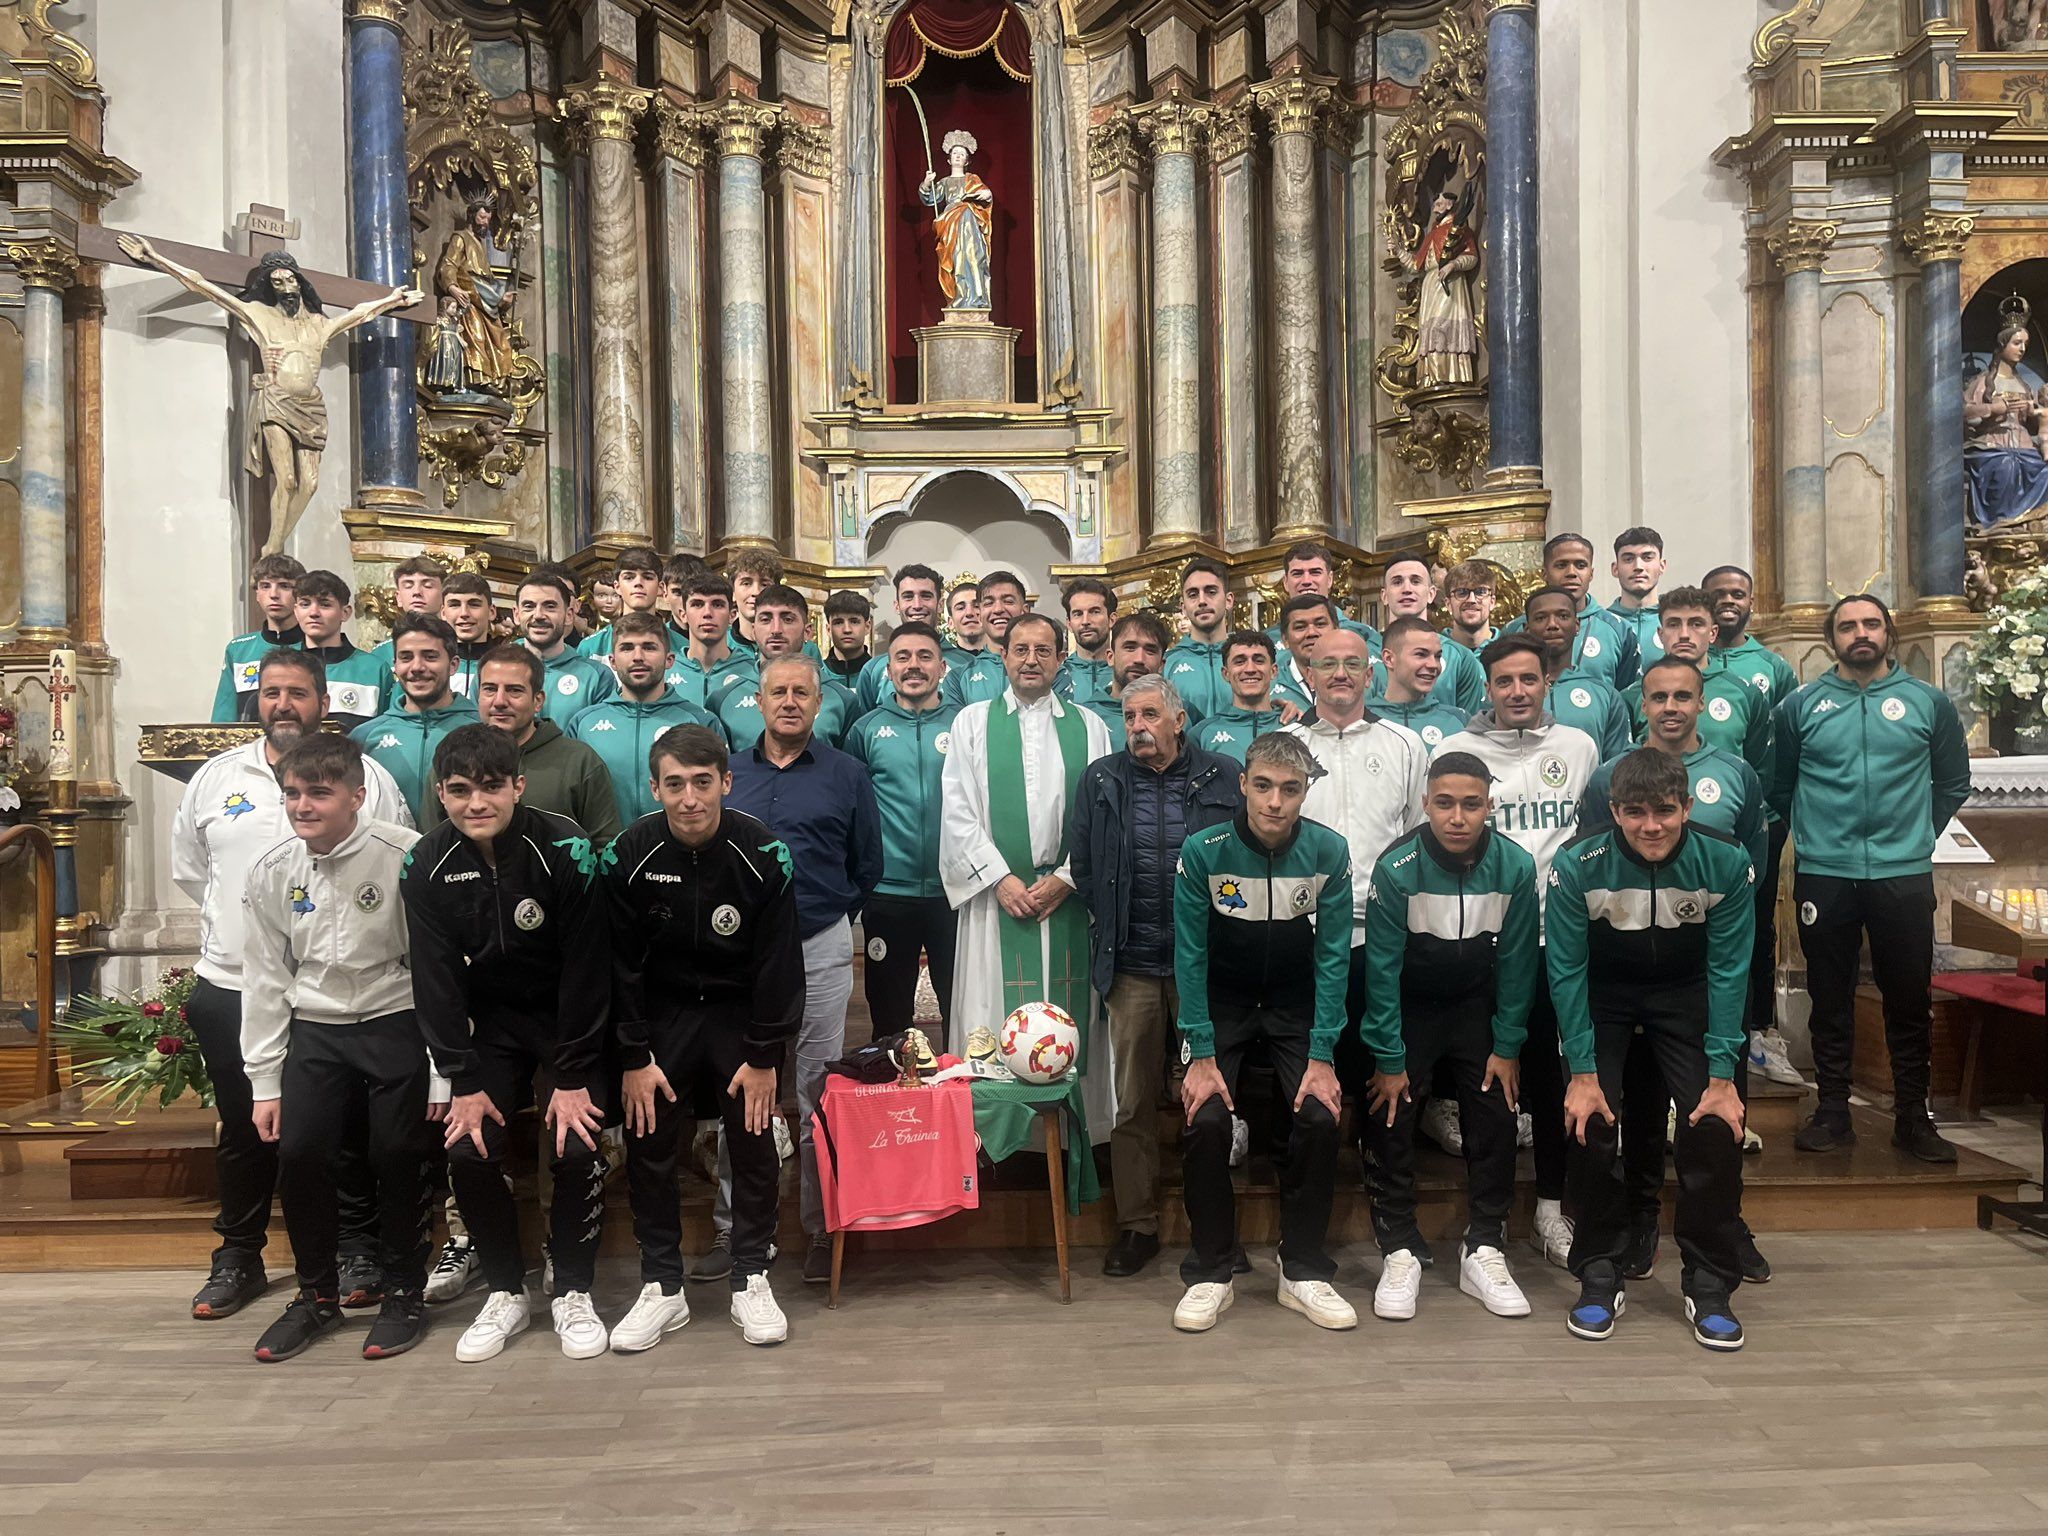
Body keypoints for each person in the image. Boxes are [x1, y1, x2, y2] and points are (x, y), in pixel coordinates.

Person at [174, 649, 413, 1322]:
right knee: (250, 1125)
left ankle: (360, 1252)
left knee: (348, 1131)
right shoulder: (218, 777)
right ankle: (240, 1255)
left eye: (298, 693)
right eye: (272, 692)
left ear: (322, 700)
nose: (283, 704)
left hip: (340, 994)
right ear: (257, 700)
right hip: (233, 978)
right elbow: (192, 869)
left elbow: (398, 863)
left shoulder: (370, 777)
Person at [400, 724, 613, 1362]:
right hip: (491, 1027)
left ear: (518, 786)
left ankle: (573, 1289)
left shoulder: (566, 848)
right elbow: (434, 981)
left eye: (492, 787)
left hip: (568, 1022)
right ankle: (505, 1291)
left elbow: (588, 965)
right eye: (460, 791)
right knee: (467, 1149)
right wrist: (461, 1081)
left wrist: (572, 1074)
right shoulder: (425, 862)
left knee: (577, 1143)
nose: (477, 804)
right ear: (440, 794)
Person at [239, 734, 439, 1362]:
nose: (302, 805)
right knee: (300, 1152)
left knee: (398, 1152)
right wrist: (264, 1081)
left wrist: (443, 1068)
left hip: (395, 1017)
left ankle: (405, 1290)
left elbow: (438, 968)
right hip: (317, 1028)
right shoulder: (273, 870)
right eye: (292, 793)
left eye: (319, 793)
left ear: (356, 796)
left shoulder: (406, 855)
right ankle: (316, 1295)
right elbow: (266, 977)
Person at [1550, 748, 1754, 1351]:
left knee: (1713, 1125)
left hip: (1687, 995)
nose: (1651, 826)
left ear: (1687, 807)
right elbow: (1565, 971)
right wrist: (1582, 1071)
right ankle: (1599, 1270)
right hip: (1604, 997)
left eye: (1665, 811)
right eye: (1635, 812)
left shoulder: (1725, 858)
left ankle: (1710, 1281)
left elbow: (1730, 970)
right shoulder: (1577, 862)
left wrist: (1723, 1074)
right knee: (1591, 1121)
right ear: (1614, 812)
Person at [607, 725, 801, 1349]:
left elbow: (778, 962)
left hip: (739, 1016)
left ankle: (751, 1277)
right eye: (674, 784)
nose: (689, 798)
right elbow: (619, 963)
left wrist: (765, 1054)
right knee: (650, 1143)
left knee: (752, 1143)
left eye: (701, 782)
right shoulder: (627, 853)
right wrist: (634, 1054)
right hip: (661, 1019)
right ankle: (662, 1287)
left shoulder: (763, 853)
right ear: (655, 787)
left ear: (726, 782)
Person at [1584, 655, 1771, 1283]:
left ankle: (1723, 1227)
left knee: (1713, 1110)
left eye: (1682, 696)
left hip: (1699, 967)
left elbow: (1752, 859)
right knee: (1627, 1108)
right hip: (1618, 973)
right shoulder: (1611, 777)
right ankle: (1635, 1222)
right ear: (1643, 703)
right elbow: (1598, 863)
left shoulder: (1734, 774)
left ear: (1700, 702)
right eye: (1658, 695)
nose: (1670, 706)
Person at [1774, 594, 1972, 1163]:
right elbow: (1782, 786)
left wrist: (1914, 836)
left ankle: (1913, 1114)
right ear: (1831, 639)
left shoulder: (1927, 702)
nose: (1860, 634)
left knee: (1909, 996)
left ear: (1887, 632)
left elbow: (1952, 782)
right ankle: (1833, 1109)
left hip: (1902, 874)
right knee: (1829, 995)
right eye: (1847, 626)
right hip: (1825, 874)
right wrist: (1815, 837)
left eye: (1870, 624)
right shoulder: (1802, 706)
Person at [1171, 733, 1355, 1333]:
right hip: (1221, 1003)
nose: (1275, 801)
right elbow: (1189, 956)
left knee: (1321, 1117)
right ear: (1243, 784)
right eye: (1264, 786)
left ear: (1307, 791)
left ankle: (1302, 1270)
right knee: (1204, 1122)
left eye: (1291, 789)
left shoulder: (1330, 850)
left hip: (1295, 1006)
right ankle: (1211, 1269)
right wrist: (1200, 1050)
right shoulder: (1204, 851)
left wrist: (1323, 1052)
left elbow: (1333, 959)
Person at [1437, 636, 1602, 1269]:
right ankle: (1491, 1221)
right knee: (1493, 1084)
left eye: (1528, 680)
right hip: (1489, 938)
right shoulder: (1462, 752)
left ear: (1547, 681)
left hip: (1560, 940)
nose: (1517, 693)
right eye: (1504, 682)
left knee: (1552, 1078)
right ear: (1487, 685)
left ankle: (1553, 1207)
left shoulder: (1579, 748)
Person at [1359, 750, 1540, 1321]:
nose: (1457, 817)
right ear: (1425, 805)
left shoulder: (1515, 866)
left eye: (1471, 804)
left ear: (1490, 806)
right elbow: (1380, 971)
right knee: (1391, 1109)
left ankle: (1484, 1244)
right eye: (1444, 804)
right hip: (1409, 1003)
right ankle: (1399, 1245)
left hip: (1475, 1005)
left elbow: (1517, 965)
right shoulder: (1396, 867)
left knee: (1496, 1111)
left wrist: (1508, 1045)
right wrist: (1390, 1057)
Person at [1073, 674, 1243, 1277]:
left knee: (1211, 1101)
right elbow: (1087, 866)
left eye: (1149, 714)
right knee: (1134, 1104)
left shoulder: (1224, 774)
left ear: (1179, 719)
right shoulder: (1102, 779)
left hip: (1208, 966)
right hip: (1134, 967)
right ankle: (1137, 1226)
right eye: (1128, 716)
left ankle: (1214, 1231)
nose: (1137, 727)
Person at [720, 654, 880, 1287]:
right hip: (740, 955)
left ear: (820, 705)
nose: (789, 702)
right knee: (742, 1089)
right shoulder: (727, 773)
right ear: (758, 702)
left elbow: (866, 864)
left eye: (802, 694)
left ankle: (823, 1231)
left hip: (819, 942)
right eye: (778, 692)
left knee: (818, 1090)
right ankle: (739, 1235)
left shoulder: (847, 773)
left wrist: (829, 914)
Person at [942, 612, 1116, 1136]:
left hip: (1067, 896)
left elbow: (1102, 816)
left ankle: (1073, 1136)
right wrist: (999, 879)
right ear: (1004, 656)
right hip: (999, 900)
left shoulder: (1090, 726)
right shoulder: (971, 723)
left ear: (1061, 659)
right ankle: (994, 1137)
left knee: (1072, 1011)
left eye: (1044, 650)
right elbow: (957, 812)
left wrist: (1067, 878)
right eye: (1021, 650)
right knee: (991, 1010)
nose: (1031, 660)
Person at [1282, 628, 1429, 1117]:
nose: (1340, 674)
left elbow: (1414, 835)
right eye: (1327, 664)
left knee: (1377, 1067)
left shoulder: (1405, 745)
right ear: (1308, 674)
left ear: (1371, 674)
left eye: (1351, 664)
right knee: (1309, 1073)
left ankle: (1377, 1162)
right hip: (1304, 929)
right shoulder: (1283, 747)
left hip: (1381, 934)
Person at [1705, 564, 1804, 1088]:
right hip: (1684, 827)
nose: (1727, 601)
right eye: (1717, 594)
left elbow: (1781, 749)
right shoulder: (1672, 669)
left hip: (1753, 823)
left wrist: (1774, 816)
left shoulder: (1771, 667)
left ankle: (1760, 1032)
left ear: (1750, 601)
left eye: (1737, 593)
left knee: (1757, 929)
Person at [844, 621, 960, 1041]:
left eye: (925, 656)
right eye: (903, 657)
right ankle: (890, 1102)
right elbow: (852, 811)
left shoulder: (967, 725)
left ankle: (962, 1100)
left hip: (956, 893)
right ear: (887, 669)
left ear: (942, 667)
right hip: (888, 894)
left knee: (961, 1009)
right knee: (890, 1017)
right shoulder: (866, 730)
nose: (914, 666)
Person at [568, 611, 717, 828]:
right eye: (627, 648)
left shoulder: (701, 722)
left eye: (649, 647)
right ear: (613, 661)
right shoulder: (583, 724)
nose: (638, 656)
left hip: (679, 855)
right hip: (603, 855)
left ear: (669, 660)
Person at [474, 644, 621, 845]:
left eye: (514, 690)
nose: (499, 701)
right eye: (490, 689)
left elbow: (605, 849)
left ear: (538, 700)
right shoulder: (455, 759)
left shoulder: (579, 762)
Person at [1623, 586, 1770, 782]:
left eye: (1696, 624)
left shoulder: (1746, 694)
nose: (1684, 634)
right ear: (1660, 634)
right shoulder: (1633, 695)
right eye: (1673, 624)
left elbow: (1760, 774)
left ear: (1713, 632)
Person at [350, 614, 479, 829]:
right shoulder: (364, 737)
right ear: (395, 665)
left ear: (453, 664)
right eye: (406, 657)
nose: (417, 667)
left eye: (430, 656)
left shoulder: (482, 729)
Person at [718, 584, 857, 749]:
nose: (776, 630)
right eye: (766, 619)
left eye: (788, 619)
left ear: (807, 631)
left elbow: (849, 770)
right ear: (754, 630)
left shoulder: (843, 700)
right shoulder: (723, 698)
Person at [1505, 534, 1640, 689]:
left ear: (1591, 573)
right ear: (1544, 574)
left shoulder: (1619, 629)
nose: (1571, 573)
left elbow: (1626, 695)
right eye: (1561, 565)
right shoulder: (1516, 629)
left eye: (1581, 565)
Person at [1523, 586, 1633, 758]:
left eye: (1563, 616)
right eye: (1541, 618)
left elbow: (1618, 767)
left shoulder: (1606, 695)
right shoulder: (1510, 694)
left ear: (1576, 626)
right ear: (1526, 629)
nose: (1552, 624)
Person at [1377, 555, 1483, 715]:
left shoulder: (1460, 657)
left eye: (1416, 581)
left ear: (1431, 594)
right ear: (1384, 596)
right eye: (1397, 582)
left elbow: (1473, 725)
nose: (1407, 589)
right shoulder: (1364, 650)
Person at [292, 569, 394, 730]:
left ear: (345, 613)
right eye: (305, 604)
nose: (313, 613)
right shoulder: (282, 664)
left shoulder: (375, 670)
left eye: (325, 604)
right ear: (296, 611)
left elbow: (385, 733)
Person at [212, 553, 306, 722]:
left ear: (300, 594)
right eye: (265, 586)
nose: (274, 594)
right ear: (257, 594)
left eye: (284, 586)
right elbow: (223, 721)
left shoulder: (315, 646)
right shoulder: (239, 650)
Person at [516, 568, 617, 724]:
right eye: (529, 606)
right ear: (516, 614)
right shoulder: (493, 668)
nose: (538, 615)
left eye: (550, 606)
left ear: (569, 615)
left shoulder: (596, 677)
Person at [1364, 616, 1470, 752]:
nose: (1433, 665)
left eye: (1437, 656)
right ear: (1389, 659)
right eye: (1421, 654)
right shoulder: (1362, 719)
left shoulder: (1459, 721)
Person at [857, 564, 947, 710]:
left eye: (926, 596)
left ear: (940, 604)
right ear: (897, 605)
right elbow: (866, 725)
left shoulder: (966, 666)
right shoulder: (873, 670)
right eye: (908, 597)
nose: (917, 605)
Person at [1197, 631, 1296, 763]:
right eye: (1239, 661)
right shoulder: (1202, 734)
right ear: (1225, 674)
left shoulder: (1297, 725)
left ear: (1274, 671)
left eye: (1259, 660)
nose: (1250, 669)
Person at [1263, 540, 1377, 648]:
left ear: (1330, 579)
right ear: (1286, 582)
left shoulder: (1365, 636)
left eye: (1315, 572)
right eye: (1297, 574)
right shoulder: (1265, 641)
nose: (1306, 581)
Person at [1084, 610, 1171, 750]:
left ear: (1161, 664)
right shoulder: (1085, 717)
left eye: (1150, 650)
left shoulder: (1178, 713)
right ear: (1110, 657)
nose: (1139, 659)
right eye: (1130, 648)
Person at [1162, 557, 1236, 721]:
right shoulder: (1168, 663)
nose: (1202, 601)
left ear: (1229, 600)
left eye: (1211, 592)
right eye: (1193, 594)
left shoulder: (1249, 657)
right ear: (1183, 607)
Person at [675, 572, 760, 712]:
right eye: (697, 604)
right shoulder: (665, 672)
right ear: (683, 615)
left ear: (732, 615)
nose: (707, 613)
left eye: (717, 605)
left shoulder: (754, 673)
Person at [943, 570, 1027, 705]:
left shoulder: (1051, 669)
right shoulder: (958, 678)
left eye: (1008, 601)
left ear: (1025, 610)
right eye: (989, 603)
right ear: (980, 614)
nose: (998, 609)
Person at [577, 545, 668, 657]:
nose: (638, 583)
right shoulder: (591, 648)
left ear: (660, 588)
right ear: (617, 587)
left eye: (648, 577)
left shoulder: (682, 647)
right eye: (629, 577)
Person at [1441, 559, 1502, 711]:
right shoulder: (1434, 651)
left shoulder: (1511, 650)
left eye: (1481, 592)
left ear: (1492, 601)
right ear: (1448, 603)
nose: (1472, 600)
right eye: (1462, 593)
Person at [367, 556, 448, 670]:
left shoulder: (457, 649)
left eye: (428, 585)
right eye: (408, 586)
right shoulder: (381, 654)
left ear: (443, 595)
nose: (417, 592)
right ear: (398, 598)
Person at [1606, 526, 1669, 669]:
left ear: (1662, 566)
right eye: (1628, 559)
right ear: (1615, 569)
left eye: (1647, 558)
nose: (1638, 566)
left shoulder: (1677, 622)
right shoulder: (1601, 623)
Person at [1058, 577, 1119, 704]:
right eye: (1078, 614)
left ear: (1112, 619)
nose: (1085, 621)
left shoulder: (1125, 673)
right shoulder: (1058, 677)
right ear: (1069, 623)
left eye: (1094, 612)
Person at [439, 571, 498, 698]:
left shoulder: (507, 665)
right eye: (455, 605)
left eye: (474, 604)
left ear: (491, 612)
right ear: (443, 613)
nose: (464, 613)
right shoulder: (432, 665)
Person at [943, 578, 987, 669]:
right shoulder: (941, 664)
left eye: (976, 606)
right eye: (960, 608)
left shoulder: (1007, 659)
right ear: (950, 622)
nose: (969, 613)